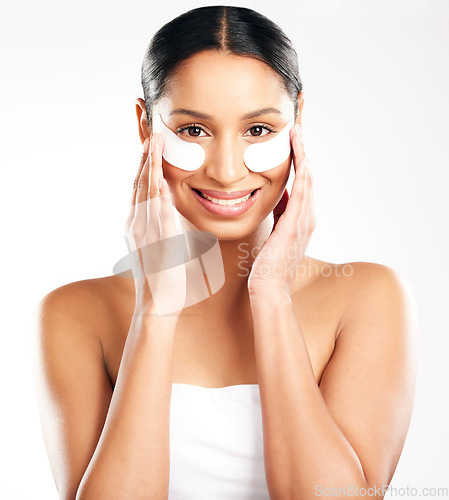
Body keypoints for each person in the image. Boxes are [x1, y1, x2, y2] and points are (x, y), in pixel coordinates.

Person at [31, 6, 418, 500]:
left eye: (258, 130)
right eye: (194, 130)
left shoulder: (368, 298)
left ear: (298, 119)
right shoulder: (72, 314)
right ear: (146, 127)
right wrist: (156, 309)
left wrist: (272, 295)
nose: (228, 171)